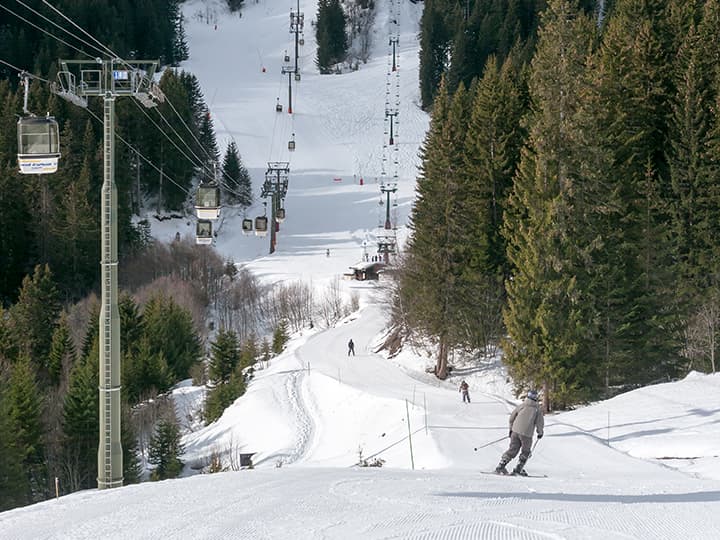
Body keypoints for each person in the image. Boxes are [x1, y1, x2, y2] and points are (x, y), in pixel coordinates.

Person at [495, 389, 544, 476]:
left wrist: (511, 429)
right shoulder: (537, 410)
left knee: (513, 449)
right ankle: (518, 469)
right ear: (536, 398)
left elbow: (511, 418)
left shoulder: (521, 406)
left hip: (515, 431)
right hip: (527, 434)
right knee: (526, 451)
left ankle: (501, 466)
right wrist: (540, 433)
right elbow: (539, 423)